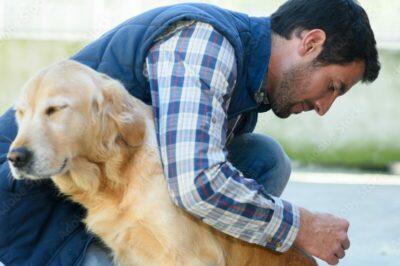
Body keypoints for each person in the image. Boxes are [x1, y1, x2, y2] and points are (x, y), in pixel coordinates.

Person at [0, 0, 380, 265]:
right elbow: (196, 182)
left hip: (109, 198)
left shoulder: (247, 78)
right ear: (311, 43)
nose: (323, 106)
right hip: (30, 200)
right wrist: (299, 226)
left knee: (263, 158)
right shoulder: (205, 43)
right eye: (333, 86)